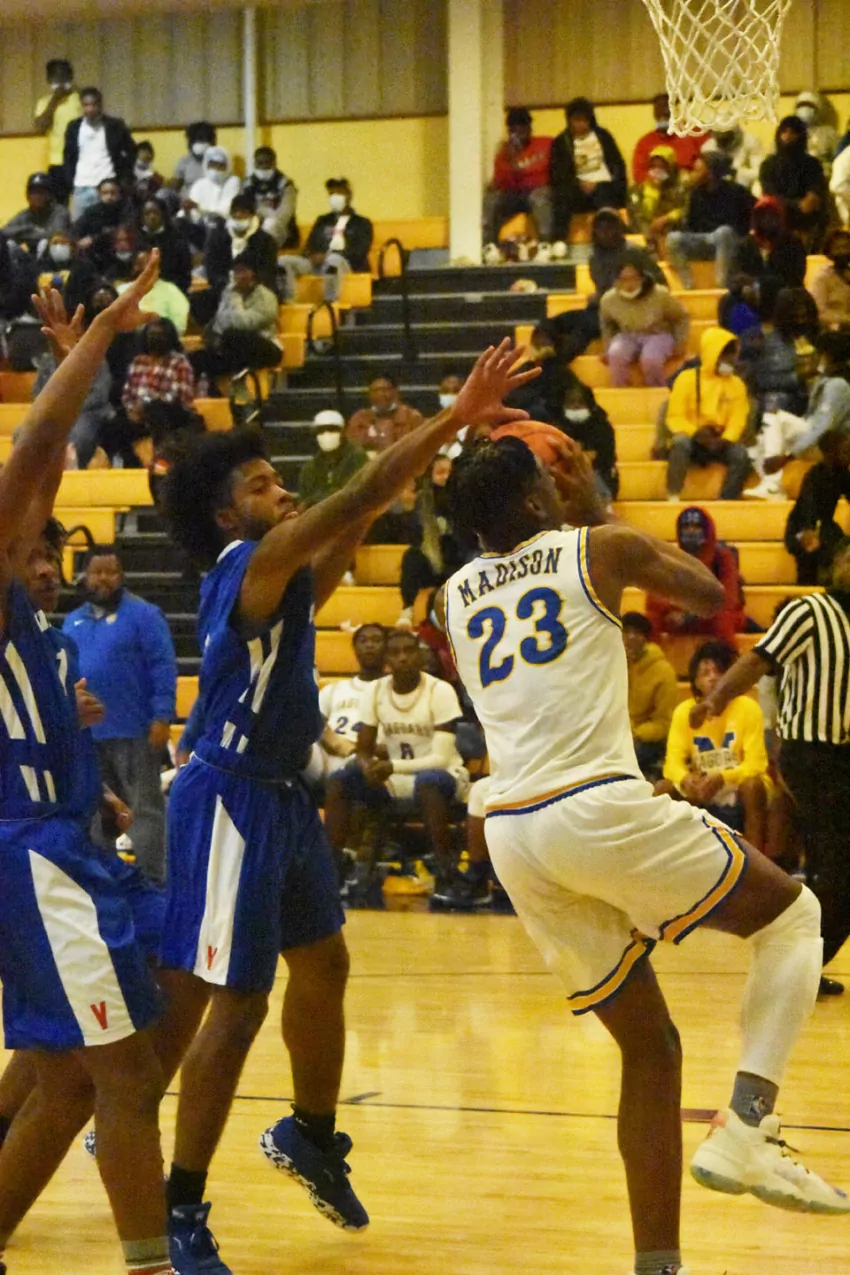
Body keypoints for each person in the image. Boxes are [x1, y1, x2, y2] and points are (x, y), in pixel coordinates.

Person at [155, 339, 538, 1272]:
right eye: (260, 484)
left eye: (277, 477)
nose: (281, 488)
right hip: (230, 796)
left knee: (324, 963)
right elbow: (362, 490)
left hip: (280, 795)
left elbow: (353, 527)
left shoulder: (282, 581)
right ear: (226, 513)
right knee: (236, 1005)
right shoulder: (246, 563)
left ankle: (311, 1133)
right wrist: (454, 417)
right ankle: (178, 1206)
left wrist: (387, 493)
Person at [443, 432, 848, 1275]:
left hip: (515, 834)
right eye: (547, 481)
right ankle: (749, 1122)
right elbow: (707, 593)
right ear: (536, 499)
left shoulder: (452, 595)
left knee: (651, 1048)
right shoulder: (599, 547)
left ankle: (657, 1265)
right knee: (795, 916)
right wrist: (595, 502)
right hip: (590, 805)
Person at [0, 257, 183, 1275]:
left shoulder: (29, 603)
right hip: (36, 853)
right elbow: (32, 451)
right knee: (125, 1074)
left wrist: (75, 357)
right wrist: (102, 340)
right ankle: (151, 1263)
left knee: (68, 1079)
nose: (38, 553)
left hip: (57, 840)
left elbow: (42, 474)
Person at [691, 540, 850, 995]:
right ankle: (794, 970)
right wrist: (715, 700)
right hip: (814, 754)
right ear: (837, 564)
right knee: (841, 869)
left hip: (844, 757)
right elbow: (758, 660)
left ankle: (800, 966)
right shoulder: (809, 612)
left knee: (833, 868)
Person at [63, 546, 176, 884]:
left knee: (144, 811)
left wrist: (162, 716)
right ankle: (105, 880)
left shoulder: (145, 615)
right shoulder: (72, 621)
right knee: (97, 812)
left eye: (110, 572)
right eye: (96, 572)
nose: (103, 579)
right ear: (84, 576)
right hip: (89, 735)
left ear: (122, 575)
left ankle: (154, 882)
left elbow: (163, 667)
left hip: (135, 731)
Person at [324, 628, 469, 890]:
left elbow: (441, 759)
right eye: (395, 652)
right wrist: (367, 767)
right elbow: (364, 750)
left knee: (428, 781)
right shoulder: (375, 690)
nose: (403, 657)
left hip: (445, 776)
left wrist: (391, 766)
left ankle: (446, 871)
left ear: (421, 656)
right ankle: (331, 869)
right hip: (393, 778)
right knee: (340, 780)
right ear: (386, 659)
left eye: (409, 651)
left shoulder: (440, 690)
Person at [657, 640, 771, 850]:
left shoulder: (748, 708)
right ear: (695, 680)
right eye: (705, 673)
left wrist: (723, 778)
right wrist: (685, 779)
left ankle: (755, 858)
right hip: (702, 789)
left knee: (753, 786)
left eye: (719, 671)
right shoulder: (684, 711)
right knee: (663, 788)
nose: (712, 677)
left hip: (736, 787)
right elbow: (671, 764)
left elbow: (756, 765)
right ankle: (667, 857)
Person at [538, 209, 664, 365]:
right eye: (601, 227)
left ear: (619, 229)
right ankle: (547, 353)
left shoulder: (634, 253)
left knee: (583, 329)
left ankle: (554, 364)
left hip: (627, 312)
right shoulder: (594, 257)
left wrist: (634, 295)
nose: (605, 232)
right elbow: (602, 286)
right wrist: (599, 295)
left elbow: (661, 284)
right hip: (600, 307)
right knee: (553, 322)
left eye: (610, 227)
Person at [745, 328, 850, 500]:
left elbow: (822, 428)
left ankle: (773, 485)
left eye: (817, 353)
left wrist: (789, 456)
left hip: (829, 446)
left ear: (828, 356)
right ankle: (770, 485)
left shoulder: (838, 385)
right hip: (815, 438)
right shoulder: (825, 380)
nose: (814, 358)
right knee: (760, 443)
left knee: (773, 417)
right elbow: (811, 421)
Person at [665, 328, 750, 501]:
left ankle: (726, 500)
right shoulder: (686, 379)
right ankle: (673, 496)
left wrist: (725, 439)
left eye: (732, 355)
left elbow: (738, 419)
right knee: (680, 443)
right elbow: (675, 417)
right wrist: (696, 433)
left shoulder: (737, 384)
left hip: (721, 440)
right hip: (693, 438)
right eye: (725, 356)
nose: (731, 360)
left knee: (741, 454)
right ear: (713, 354)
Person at [647, 505, 747, 644]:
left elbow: (728, 599)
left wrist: (690, 616)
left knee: (723, 619)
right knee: (651, 619)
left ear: (707, 530)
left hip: (713, 616)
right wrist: (673, 611)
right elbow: (655, 598)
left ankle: (729, 656)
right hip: (680, 616)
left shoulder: (722, 556)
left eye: (696, 526)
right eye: (686, 527)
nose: (690, 531)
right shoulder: (672, 558)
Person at [306, 625, 387, 784]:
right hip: (327, 756)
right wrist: (334, 742)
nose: (369, 645)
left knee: (357, 769)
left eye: (376, 640)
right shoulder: (334, 689)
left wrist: (353, 748)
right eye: (363, 640)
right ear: (354, 649)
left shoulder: (396, 692)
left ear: (387, 648)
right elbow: (312, 723)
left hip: (370, 761)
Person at [665, 152, 755, 289]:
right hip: (705, 241)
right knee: (673, 238)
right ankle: (688, 286)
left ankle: (722, 284)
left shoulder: (737, 192)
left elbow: (752, 217)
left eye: (697, 171)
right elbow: (692, 226)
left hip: (730, 243)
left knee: (724, 232)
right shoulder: (695, 194)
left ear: (711, 174)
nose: (692, 174)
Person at [599, 254, 689, 387]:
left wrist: (680, 341)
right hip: (627, 334)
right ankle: (622, 391)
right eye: (623, 279)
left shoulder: (660, 294)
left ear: (642, 278)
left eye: (633, 278)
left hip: (658, 334)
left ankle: (657, 390)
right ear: (616, 281)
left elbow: (681, 317)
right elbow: (606, 324)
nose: (629, 284)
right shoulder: (608, 299)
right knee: (615, 354)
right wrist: (607, 346)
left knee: (650, 358)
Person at [191, 259, 281, 385]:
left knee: (232, 335)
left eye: (243, 271)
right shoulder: (228, 293)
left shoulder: (266, 297)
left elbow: (243, 324)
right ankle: (209, 392)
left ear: (254, 273)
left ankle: (241, 384)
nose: (239, 276)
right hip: (232, 349)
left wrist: (235, 298)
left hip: (265, 346)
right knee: (197, 357)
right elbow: (220, 322)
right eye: (236, 271)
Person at [398, 454, 464, 623]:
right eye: (440, 472)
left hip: (456, 559)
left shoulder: (464, 498)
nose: (446, 476)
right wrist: (408, 511)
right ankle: (407, 609)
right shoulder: (422, 500)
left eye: (449, 472)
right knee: (411, 556)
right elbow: (414, 537)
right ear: (431, 475)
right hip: (431, 560)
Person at [550, 97, 627, 240]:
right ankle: (559, 242)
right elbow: (558, 173)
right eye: (576, 120)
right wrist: (578, 183)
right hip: (576, 187)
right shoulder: (561, 142)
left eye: (584, 120)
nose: (581, 124)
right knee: (561, 200)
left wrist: (600, 183)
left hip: (603, 184)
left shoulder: (603, 136)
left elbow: (617, 164)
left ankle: (612, 238)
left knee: (605, 197)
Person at [784, 432, 850, 584]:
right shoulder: (815, 475)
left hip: (825, 526)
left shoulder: (841, 473)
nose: (849, 455)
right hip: (801, 527)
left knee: (841, 546)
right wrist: (809, 531)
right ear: (830, 452)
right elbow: (808, 507)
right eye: (845, 451)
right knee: (812, 555)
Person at [482, 108, 553, 246]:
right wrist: (512, 159)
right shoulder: (504, 152)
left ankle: (546, 245)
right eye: (513, 128)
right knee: (491, 199)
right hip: (514, 194)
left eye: (522, 126)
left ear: (529, 127)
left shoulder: (545, 144)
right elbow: (500, 182)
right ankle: (488, 245)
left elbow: (548, 174)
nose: (519, 131)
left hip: (538, 191)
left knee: (539, 197)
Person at [63, 87, 136, 221]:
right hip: (81, 185)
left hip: (108, 184)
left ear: (100, 105)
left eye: (94, 104)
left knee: (110, 225)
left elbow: (131, 150)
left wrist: (124, 177)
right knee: (78, 226)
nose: (90, 109)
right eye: (86, 105)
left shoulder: (115, 125)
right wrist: (70, 182)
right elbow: (68, 156)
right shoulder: (73, 127)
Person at [622, 611, 679, 781]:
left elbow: (664, 722)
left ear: (646, 639)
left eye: (637, 632)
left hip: (647, 740)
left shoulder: (663, 671)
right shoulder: (610, 664)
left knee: (625, 754)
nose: (631, 637)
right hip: (617, 735)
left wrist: (635, 733)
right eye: (626, 631)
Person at [759, 116, 828, 248]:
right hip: (778, 214)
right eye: (784, 132)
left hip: (805, 217)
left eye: (792, 132)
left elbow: (814, 192)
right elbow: (770, 194)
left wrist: (810, 199)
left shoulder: (812, 164)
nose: (787, 136)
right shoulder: (768, 165)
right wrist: (796, 204)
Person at [295, 178, 373, 294]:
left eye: (339, 193)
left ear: (349, 195)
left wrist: (326, 256)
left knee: (333, 261)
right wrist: (311, 257)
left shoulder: (362, 223)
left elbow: (359, 253)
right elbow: (309, 246)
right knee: (285, 262)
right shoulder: (322, 221)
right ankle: (287, 300)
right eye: (331, 194)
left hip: (347, 265)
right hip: (317, 264)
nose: (334, 197)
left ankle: (330, 301)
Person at [203, 192, 278, 296]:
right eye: (235, 211)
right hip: (223, 291)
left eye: (244, 212)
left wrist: (246, 284)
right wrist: (229, 284)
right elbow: (212, 271)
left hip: (256, 292)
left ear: (252, 215)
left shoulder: (266, 241)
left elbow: (267, 273)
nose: (238, 215)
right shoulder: (217, 237)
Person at [122, 318, 195, 424]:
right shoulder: (138, 361)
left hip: (165, 420)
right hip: (134, 418)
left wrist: (146, 406)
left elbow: (183, 402)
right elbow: (127, 395)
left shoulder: (180, 364)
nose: (156, 339)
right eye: (152, 334)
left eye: (160, 335)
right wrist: (131, 410)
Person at [729, 196, 807, 291]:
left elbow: (794, 279)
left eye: (772, 215)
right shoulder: (746, 245)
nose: (767, 219)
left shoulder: (793, 244)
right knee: (730, 297)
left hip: (784, 294)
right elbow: (735, 274)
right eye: (762, 215)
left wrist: (758, 283)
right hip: (750, 293)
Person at [559, 379, 619, 502]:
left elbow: (605, 459)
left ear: (590, 405)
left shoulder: (603, 427)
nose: (575, 406)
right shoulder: (557, 427)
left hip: (600, 475)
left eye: (580, 403)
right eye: (571, 403)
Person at [33, 58, 81, 204]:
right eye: (56, 77)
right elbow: (40, 127)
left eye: (64, 76)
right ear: (49, 79)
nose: (61, 81)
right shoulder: (44, 102)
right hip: (57, 161)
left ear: (71, 77)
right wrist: (55, 100)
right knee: (59, 205)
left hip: (81, 160)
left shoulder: (80, 99)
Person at [298, 409, 368, 508]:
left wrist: (314, 500)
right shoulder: (310, 467)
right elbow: (304, 499)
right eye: (321, 431)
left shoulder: (357, 457)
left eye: (332, 430)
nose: (326, 434)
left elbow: (352, 492)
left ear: (343, 432)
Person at [632, 92, 707, 183]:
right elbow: (639, 175)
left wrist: (694, 175)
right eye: (658, 110)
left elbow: (710, 161)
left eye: (667, 109)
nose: (662, 114)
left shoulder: (694, 133)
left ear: (676, 111)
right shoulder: (645, 142)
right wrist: (663, 178)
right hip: (660, 187)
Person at [627, 145, 687, 256]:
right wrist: (654, 191)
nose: (657, 170)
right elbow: (637, 215)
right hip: (644, 235)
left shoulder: (681, 188)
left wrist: (667, 218)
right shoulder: (638, 190)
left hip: (669, 233)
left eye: (662, 167)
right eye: (653, 166)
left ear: (671, 168)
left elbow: (686, 209)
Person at [118, 249, 190, 334]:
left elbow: (179, 324)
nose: (150, 269)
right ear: (135, 268)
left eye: (153, 265)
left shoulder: (171, 290)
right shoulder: (122, 290)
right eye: (144, 264)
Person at [346, 374, 424, 453]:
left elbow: (420, 447)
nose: (380, 394)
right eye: (376, 390)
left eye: (385, 390)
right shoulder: (359, 419)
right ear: (369, 394)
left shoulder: (411, 417)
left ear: (395, 392)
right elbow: (352, 448)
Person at [242, 145, 298, 248]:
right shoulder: (247, 184)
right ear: (254, 164)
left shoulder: (286, 184)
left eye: (267, 162)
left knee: (270, 224)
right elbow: (244, 210)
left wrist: (261, 212)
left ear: (274, 163)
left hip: (282, 230)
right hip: (255, 226)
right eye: (260, 163)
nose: (263, 167)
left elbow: (284, 216)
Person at [2, 172, 70, 255]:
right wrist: (29, 228)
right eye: (33, 193)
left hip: (53, 258)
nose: (37, 197)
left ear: (50, 195)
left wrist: (23, 234)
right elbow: (4, 232)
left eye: (41, 193)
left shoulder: (59, 212)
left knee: (45, 243)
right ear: (28, 196)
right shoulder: (26, 214)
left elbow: (56, 235)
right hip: (30, 258)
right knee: (9, 244)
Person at [138, 198, 192, 295]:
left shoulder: (176, 239)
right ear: (142, 217)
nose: (152, 216)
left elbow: (184, 274)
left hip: (170, 291)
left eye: (155, 212)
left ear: (163, 214)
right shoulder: (135, 238)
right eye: (147, 213)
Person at [72, 177, 134, 254]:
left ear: (119, 194)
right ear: (99, 194)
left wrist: (93, 238)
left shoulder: (126, 209)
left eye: (113, 193)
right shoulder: (92, 211)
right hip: (95, 251)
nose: (109, 197)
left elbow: (121, 230)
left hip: (118, 249)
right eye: (105, 193)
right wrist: (78, 240)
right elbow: (77, 228)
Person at [186, 147, 240, 223]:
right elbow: (192, 210)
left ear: (227, 167)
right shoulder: (199, 184)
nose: (216, 169)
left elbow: (226, 210)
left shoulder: (232, 181)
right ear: (206, 165)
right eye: (213, 165)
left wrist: (199, 207)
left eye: (220, 165)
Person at [701, 127, 764, 192]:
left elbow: (760, 172)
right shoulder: (708, 148)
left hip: (744, 187)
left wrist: (736, 172)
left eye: (726, 138)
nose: (722, 137)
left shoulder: (750, 141)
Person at [810, 228, 850, 328]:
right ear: (829, 252)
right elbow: (819, 313)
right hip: (832, 331)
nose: (843, 252)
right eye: (837, 248)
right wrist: (846, 320)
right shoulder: (822, 278)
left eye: (846, 247)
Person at [794, 91, 839, 177]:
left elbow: (840, 160)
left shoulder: (830, 134)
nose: (804, 109)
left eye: (809, 106)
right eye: (801, 106)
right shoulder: (790, 132)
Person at [171, 121, 217, 199]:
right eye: (196, 140)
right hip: (186, 201)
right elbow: (175, 184)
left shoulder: (218, 161)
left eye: (203, 140)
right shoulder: (184, 161)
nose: (200, 144)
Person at [133, 140, 164, 205]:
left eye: (148, 159)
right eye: (142, 159)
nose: (145, 162)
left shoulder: (156, 178)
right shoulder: (128, 174)